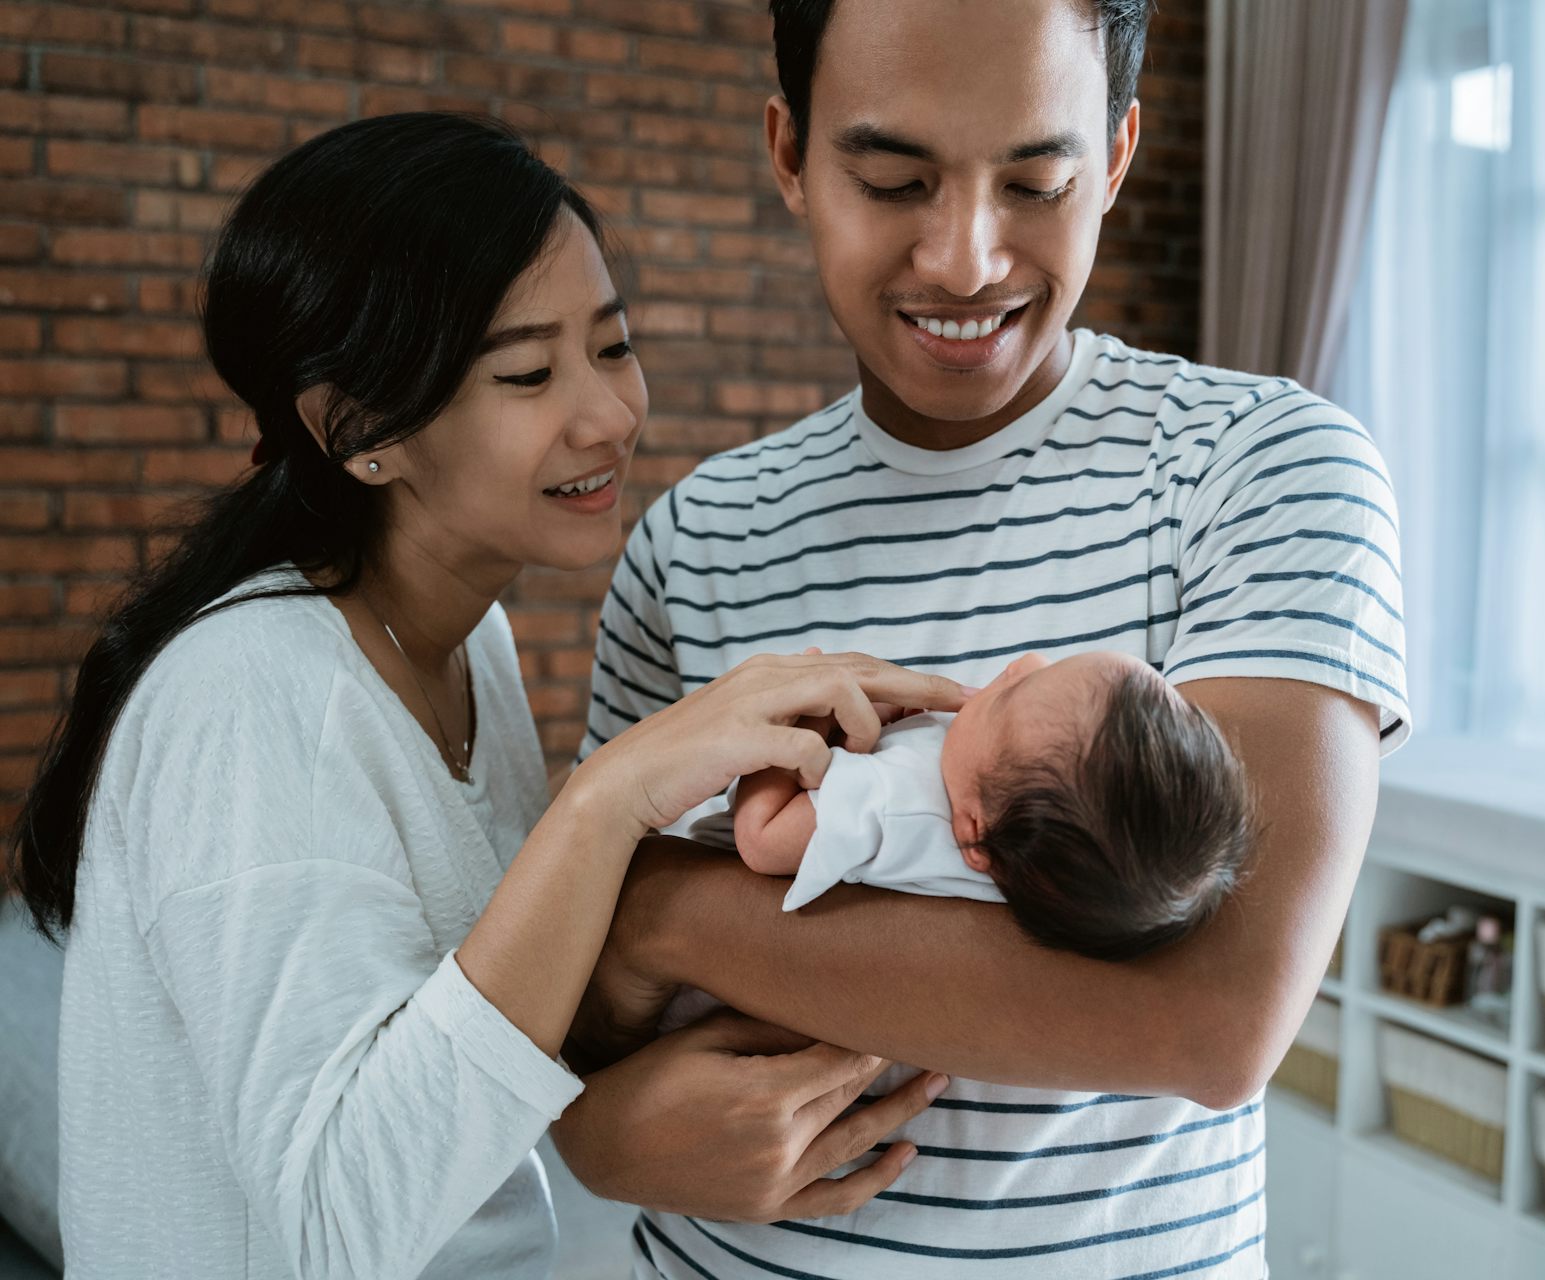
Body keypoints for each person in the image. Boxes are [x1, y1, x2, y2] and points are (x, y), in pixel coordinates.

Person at [5, 112, 969, 1279]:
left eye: (612, 347)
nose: (610, 413)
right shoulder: (248, 696)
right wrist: (606, 799)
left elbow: (463, 1042)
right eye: (528, 372)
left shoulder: (471, 644)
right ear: (355, 428)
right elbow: (334, 1226)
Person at [558, 0, 1411, 1276]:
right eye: (895, 178)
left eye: (1038, 180)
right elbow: (575, 1021)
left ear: (1116, 157)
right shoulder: (700, 537)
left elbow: (1214, 1017)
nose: (964, 259)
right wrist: (600, 1135)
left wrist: (660, 914)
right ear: (790, 154)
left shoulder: (1259, 471)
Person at [730, 650, 1256, 961]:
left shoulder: (900, 803)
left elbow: (761, 837)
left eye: (1008, 695)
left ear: (971, 829)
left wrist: (798, 724)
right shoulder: (1033, 848)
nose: (1022, 663)